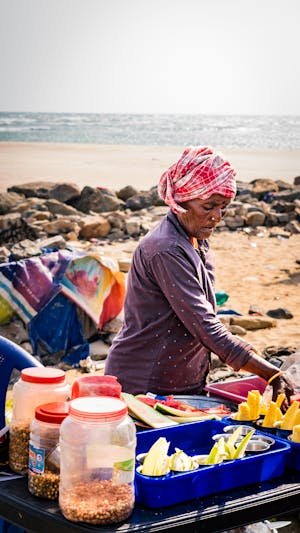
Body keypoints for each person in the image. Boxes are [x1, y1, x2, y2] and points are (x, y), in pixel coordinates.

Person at [105, 146, 293, 409]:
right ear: (181, 202)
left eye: (223, 208)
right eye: (208, 207)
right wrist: (271, 373)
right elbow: (206, 326)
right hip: (144, 386)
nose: (217, 217)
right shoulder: (166, 249)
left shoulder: (195, 239)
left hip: (184, 382)